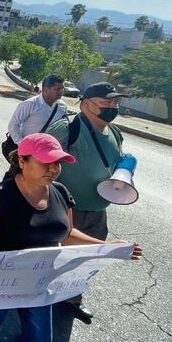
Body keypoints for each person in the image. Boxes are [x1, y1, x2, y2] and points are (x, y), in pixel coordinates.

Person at [0, 133, 142, 342]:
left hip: (40, 278)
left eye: (58, 163)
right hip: (1, 276)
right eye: (46, 163)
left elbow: (67, 233)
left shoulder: (60, 193)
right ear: (22, 161)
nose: (54, 169)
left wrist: (109, 247)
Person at [46, 81, 128, 323]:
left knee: (87, 257)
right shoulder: (67, 128)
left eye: (115, 103)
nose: (112, 106)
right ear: (85, 104)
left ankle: (72, 297)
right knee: (54, 256)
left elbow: (117, 162)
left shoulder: (114, 132)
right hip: (64, 208)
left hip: (98, 209)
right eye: (106, 103)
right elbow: (38, 160)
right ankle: (40, 297)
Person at [5, 74, 67, 155]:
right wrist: (22, 145)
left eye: (62, 88)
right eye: (58, 89)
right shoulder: (29, 104)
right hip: (27, 151)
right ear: (45, 89)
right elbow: (13, 125)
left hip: (47, 152)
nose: (61, 91)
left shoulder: (62, 107)